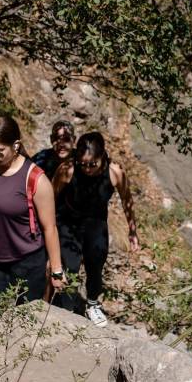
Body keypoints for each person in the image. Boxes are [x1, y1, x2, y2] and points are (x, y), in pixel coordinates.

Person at [0, 116, 66, 323]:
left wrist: (56, 269)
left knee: (25, 325)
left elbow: (50, 228)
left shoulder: (35, 178)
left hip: (27, 263)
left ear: (16, 145)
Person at [50, 132, 140, 327]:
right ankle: (66, 309)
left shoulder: (115, 172)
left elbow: (127, 201)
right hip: (68, 222)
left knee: (96, 263)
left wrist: (132, 231)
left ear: (103, 157)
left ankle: (92, 304)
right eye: (83, 164)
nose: (88, 168)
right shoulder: (68, 170)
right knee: (70, 266)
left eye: (93, 164)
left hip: (96, 222)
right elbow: (50, 197)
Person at [32, 120, 76, 187]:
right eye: (56, 138)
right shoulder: (41, 159)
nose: (61, 144)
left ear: (74, 140)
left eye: (66, 139)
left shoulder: (81, 160)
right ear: (51, 139)